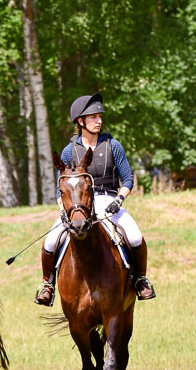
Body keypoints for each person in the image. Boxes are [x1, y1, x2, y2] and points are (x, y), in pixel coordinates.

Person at [34, 92, 156, 306]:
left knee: (135, 237)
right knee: (50, 241)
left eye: (99, 117)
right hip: (77, 206)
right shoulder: (68, 150)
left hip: (109, 201)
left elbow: (127, 179)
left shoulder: (113, 146)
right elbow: (59, 187)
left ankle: (140, 280)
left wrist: (119, 200)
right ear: (80, 121)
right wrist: (64, 209)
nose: (99, 121)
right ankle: (47, 285)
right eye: (93, 117)